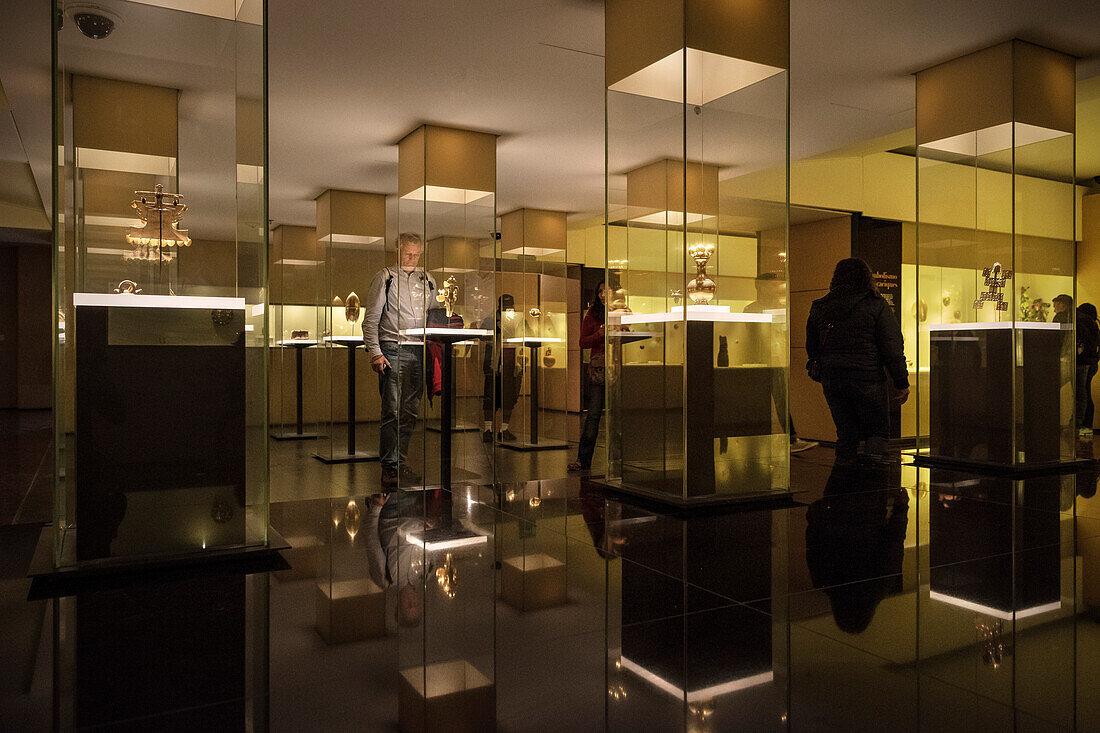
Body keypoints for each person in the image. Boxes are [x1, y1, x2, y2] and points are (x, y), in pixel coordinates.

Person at [806, 258, 909, 461]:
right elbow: (892, 346)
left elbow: (812, 347)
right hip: (867, 377)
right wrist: (901, 382)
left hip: (833, 378)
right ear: (866, 277)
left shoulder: (820, 306)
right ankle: (872, 484)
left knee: (846, 434)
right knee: (877, 433)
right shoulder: (876, 305)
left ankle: (843, 485)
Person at [362, 233, 436, 488]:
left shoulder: (428, 280)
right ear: (397, 251)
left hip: (418, 350)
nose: (412, 259)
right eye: (407, 254)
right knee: (391, 411)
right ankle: (390, 466)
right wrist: (375, 352)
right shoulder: (385, 277)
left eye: (416, 254)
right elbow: (371, 318)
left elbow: (435, 315)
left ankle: (399, 461)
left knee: (410, 411)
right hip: (392, 348)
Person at [745, 272, 819, 454]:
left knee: (780, 399)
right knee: (768, 401)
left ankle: (790, 438)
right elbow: (751, 337)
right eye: (771, 285)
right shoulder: (753, 309)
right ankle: (785, 438)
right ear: (760, 286)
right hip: (762, 362)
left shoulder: (779, 308)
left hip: (776, 360)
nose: (776, 289)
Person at [569, 282, 610, 472]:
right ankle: (583, 460)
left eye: (606, 291)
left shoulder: (623, 311)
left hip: (619, 368)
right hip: (600, 371)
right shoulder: (592, 315)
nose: (603, 295)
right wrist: (599, 334)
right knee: (593, 415)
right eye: (600, 291)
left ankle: (618, 462)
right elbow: (583, 342)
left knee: (619, 415)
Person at [481, 294, 521, 443]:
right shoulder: (491, 319)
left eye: (510, 306)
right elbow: (482, 334)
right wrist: (496, 331)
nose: (508, 310)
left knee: (509, 397)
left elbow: (527, 333)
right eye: (505, 307)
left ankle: (504, 429)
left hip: (511, 364)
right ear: (499, 307)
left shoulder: (517, 319)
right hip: (494, 364)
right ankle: (488, 429)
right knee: (490, 396)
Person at [1076, 302, 1099, 437]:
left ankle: (1081, 424)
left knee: (1081, 393)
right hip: (1092, 362)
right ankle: (1086, 424)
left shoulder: (1081, 320)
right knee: (1085, 392)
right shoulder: (1092, 323)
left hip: (1082, 362)